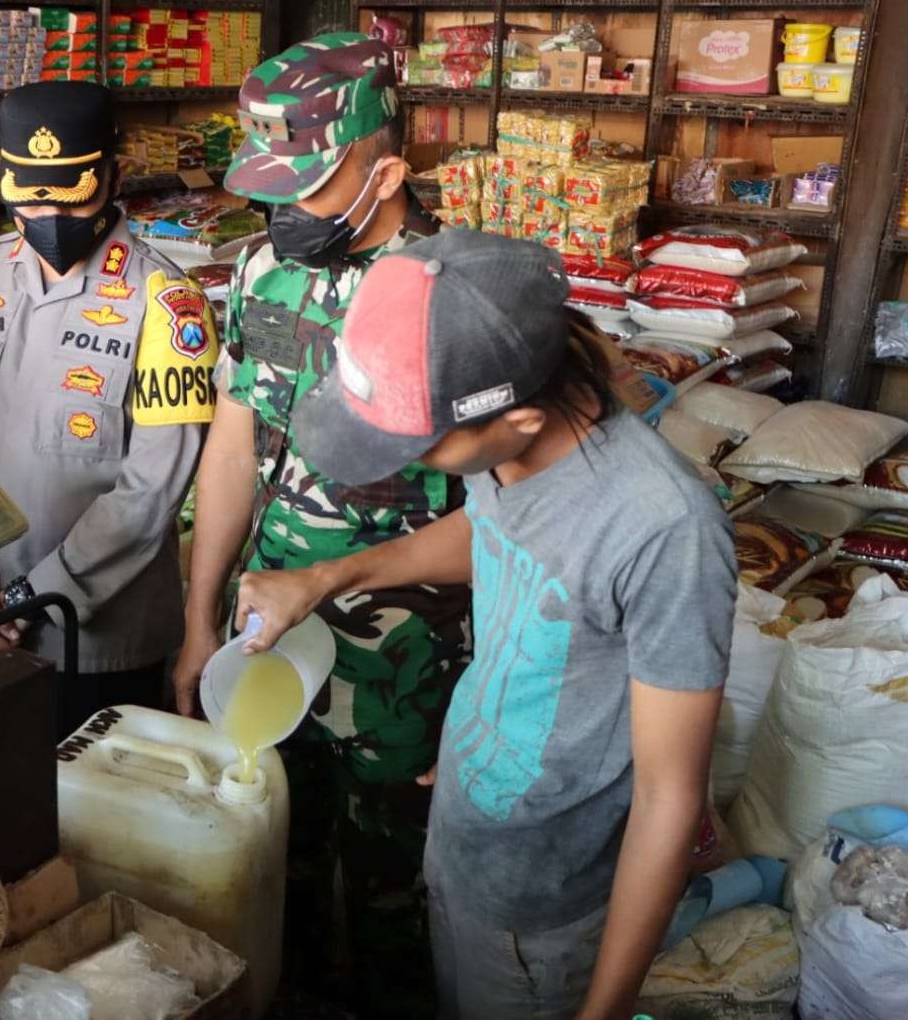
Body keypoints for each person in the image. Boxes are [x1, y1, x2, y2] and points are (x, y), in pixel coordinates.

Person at [235, 231, 736, 1020]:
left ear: (523, 419)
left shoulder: (662, 529)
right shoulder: (506, 454)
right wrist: (328, 575)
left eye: (423, 446)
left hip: (543, 907)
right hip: (465, 833)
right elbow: (494, 534)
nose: (407, 462)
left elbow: (669, 798)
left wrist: (601, 1011)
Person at [170, 31, 468, 1014]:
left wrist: (474, 705)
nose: (280, 213)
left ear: (388, 172)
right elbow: (232, 441)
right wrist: (196, 616)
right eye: (269, 187)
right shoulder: (261, 273)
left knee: (399, 904)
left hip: (410, 660)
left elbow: (513, 521)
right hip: (270, 632)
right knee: (271, 870)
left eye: (306, 188)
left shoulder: (457, 296)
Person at [0, 80, 220, 737]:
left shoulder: (165, 302)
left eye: (70, 187)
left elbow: (148, 494)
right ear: (0, 176)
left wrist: (26, 600)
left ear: (114, 176)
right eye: (28, 189)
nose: (48, 211)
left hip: (98, 638)